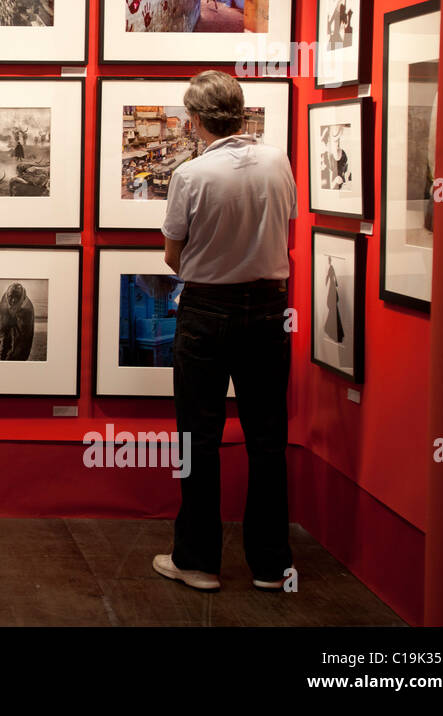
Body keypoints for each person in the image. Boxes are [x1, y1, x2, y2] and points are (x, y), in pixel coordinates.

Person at [154, 69, 296, 592]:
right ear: (240, 112)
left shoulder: (191, 176)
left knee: (199, 437)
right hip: (267, 310)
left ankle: (197, 560)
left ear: (194, 121)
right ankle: (271, 565)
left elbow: (173, 255)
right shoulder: (278, 160)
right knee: (267, 438)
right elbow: (284, 228)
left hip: (208, 312)